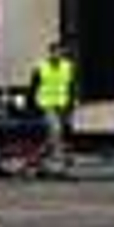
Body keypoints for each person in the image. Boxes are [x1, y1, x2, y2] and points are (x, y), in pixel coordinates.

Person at [29, 38, 77, 171]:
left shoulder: (67, 67)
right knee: (55, 130)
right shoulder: (41, 67)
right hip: (46, 104)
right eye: (54, 52)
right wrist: (31, 106)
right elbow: (33, 87)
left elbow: (71, 86)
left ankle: (36, 157)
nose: (56, 54)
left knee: (57, 134)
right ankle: (58, 159)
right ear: (50, 53)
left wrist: (71, 104)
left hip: (62, 105)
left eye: (59, 52)